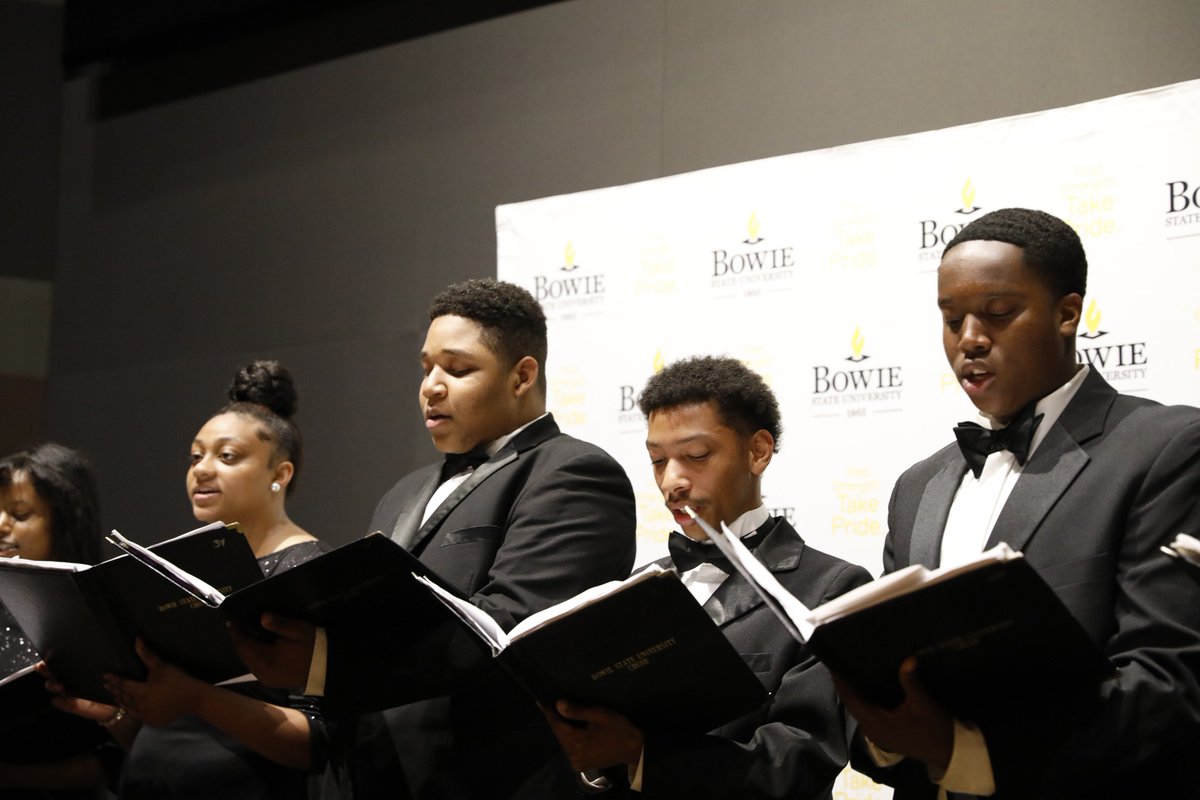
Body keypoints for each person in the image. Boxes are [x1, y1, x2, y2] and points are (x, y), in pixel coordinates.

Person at [840, 208, 1200, 799]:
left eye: (999, 314)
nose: (971, 339)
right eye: (952, 320)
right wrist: (883, 731)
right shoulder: (917, 487)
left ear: (1067, 313)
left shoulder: (1166, 448)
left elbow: (1170, 683)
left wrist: (966, 752)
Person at [234, 278, 638, 798]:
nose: (431, 386)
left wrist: (328, 662)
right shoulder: (402, 494)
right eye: (426, 368)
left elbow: (512, 631)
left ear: (523, 376)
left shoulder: (574, 472)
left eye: (458, 369)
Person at [543, 355, 872, 800]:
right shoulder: (638, 588)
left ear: (758, 451)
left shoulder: (831, 587)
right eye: (658, 460)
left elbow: (796, 765)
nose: (671, 482)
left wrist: (643, 755)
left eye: (696, 456)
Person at [53, 360, 331, 799]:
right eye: (196, 456)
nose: (202, 469)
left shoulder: (305, 569)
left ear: (280, 474)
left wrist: (197, 698)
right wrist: (116, 713)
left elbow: (318, 741)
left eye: (227, 456)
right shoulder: (180, 569)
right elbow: (167, 729)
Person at [0, 443, 112, 799]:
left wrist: (12, 776)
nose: (0, 525)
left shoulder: (97, 615)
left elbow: (114, 757)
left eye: (19, 514)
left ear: (64, 522)